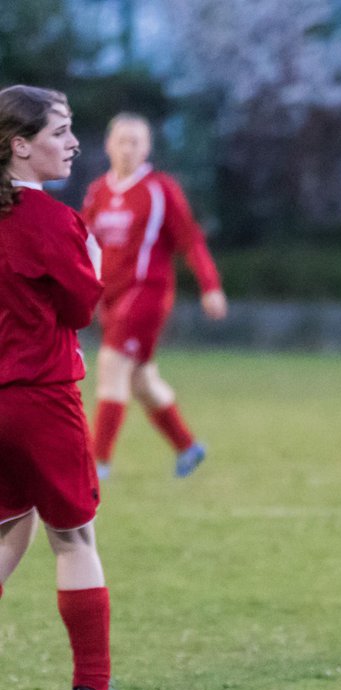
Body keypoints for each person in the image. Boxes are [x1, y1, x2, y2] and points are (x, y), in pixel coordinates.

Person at [0, 84, 129, 690]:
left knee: (5, 532)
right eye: (60, 131)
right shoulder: (54, 221)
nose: (74, 142)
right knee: (74, 538)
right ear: (20, 146)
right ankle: (94, 686)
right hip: (40, 398)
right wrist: (94, 261)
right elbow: (81, 308)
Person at [81, 112, 227, 480]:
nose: (128, 148)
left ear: (147, 148)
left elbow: (190, 240)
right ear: (108, 145)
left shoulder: (160, 189)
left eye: (136, 142)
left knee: (112, 368)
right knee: (141, 380)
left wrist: (210, 286)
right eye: (121, 141)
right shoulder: (99, 190)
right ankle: (187, 447)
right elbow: (83, 241)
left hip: (147, 294)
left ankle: (96, 465)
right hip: (109, 298)